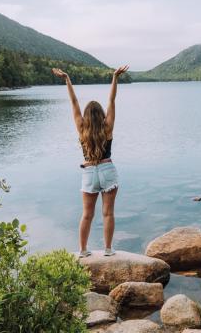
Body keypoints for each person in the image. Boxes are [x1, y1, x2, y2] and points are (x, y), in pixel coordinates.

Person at [52, 65, 129, 258]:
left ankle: (83, 251)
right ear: (101, 114)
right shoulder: (107, 127)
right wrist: (114, 78)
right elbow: (112, 100)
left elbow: (74, 101)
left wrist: (67, 79)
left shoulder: (81, 128)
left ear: (86, 116)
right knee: (108, 213)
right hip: (107, 168)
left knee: (87, 214)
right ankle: (109, 250)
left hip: (88, 172)